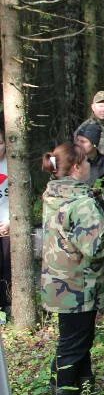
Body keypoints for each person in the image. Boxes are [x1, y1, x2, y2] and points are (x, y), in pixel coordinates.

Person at [40, 142, 104, 395]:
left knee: (77, 342)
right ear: (77, 167)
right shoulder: (81, 203)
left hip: (60, 283)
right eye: (87, 162)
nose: (91, 166)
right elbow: (98, 246)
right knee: (74, 345)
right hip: (77, 285)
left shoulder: (54, 193)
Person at [0, 132, 9, 314]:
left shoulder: (13, 166)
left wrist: (10, 223)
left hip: (9, 225)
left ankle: (7, 306)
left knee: (8, 267)